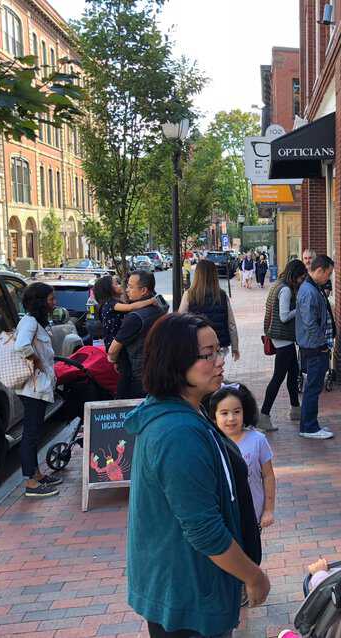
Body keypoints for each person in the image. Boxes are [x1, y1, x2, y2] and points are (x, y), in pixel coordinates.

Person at [126, 314, 270, 638]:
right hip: (187, 597)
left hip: (192, 587)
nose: (219, 361)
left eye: (218, 351)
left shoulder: (190, 411)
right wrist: (253, 575)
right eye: (208, 354)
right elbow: (204, 530)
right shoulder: (177, 433)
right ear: (176, 363)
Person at [15, 282, 63, 498]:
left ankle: (37, 473)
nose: (55, 303)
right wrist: (38, 363)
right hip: (32, 388)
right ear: (41, 302)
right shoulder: (30, 322)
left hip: (39, 387)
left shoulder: (38, 322)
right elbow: (22, 346)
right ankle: (30, 482)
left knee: (35, 432)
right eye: (51, 299)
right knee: (31, 433)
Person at [210, 384, 276, 529]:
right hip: (224, 518)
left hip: (253, 515)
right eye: (224, 413)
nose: (231, 418)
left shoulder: (258, 440)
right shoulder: (211, 443)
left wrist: (268, 510)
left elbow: (268, 476)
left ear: (244, 412)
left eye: (236, 411)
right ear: (213, 416)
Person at [259, 259, 307, 432]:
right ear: (295, 275)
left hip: (279, 337)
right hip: (282, 338)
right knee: (278, 377)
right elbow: (284, 316)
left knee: (293, 373)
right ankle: (263, 415)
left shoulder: (278, 284)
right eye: (301, 277)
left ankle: (295, 409)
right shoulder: (286, 289)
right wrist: (300, 308)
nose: (302, 281)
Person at [295, 255, 336, 440]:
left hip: (316, 346)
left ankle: (311, 424)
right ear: (319, 270)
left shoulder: (312, 288)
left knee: (314, 386)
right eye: (328, 274)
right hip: (315, 347)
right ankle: (309, 427)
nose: (329, 278)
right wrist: (322, 344)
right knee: (313, 387)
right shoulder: (309, 291)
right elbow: (309, 322)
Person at [108, 271, 165, 399]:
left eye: (130, 287)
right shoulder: (160, 308)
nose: (127, 290)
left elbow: (113, 349)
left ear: (144, 290)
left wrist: (113, 360)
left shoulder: (135, 317)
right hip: (158, 371)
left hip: (138, 376)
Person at [178, 260, 240, 362]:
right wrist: (235, 347)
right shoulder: (222, 295)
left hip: (197, 343)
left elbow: (180, 321)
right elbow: (231, 324)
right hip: (219, 344)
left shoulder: (189, 294)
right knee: (215, 369)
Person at [93, 275, 159, 350]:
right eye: (116, 284)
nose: (120, 285)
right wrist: (151, 301)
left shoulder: (110, 304)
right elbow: (130, 307)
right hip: (114, 344)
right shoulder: (111, 304)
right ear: (108, 289)